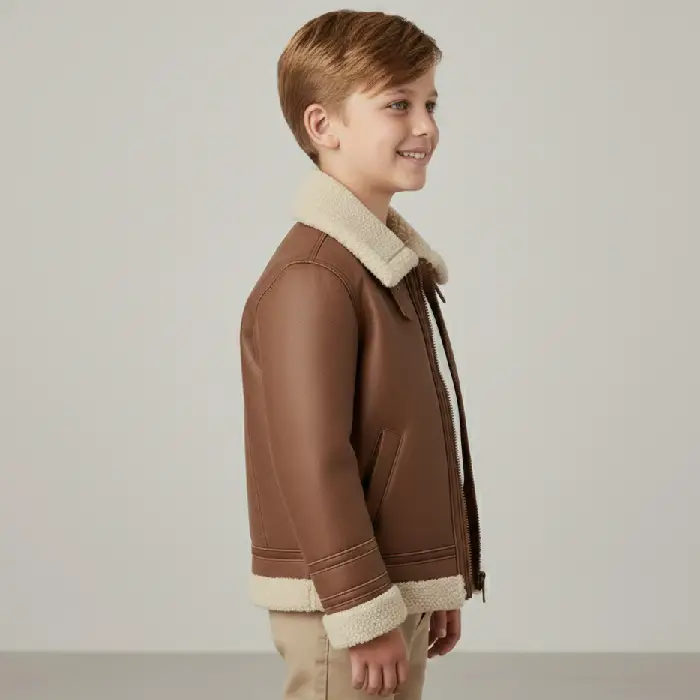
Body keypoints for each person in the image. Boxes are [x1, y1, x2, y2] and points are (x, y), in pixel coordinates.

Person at [239, 9, 485, 699]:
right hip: (342, 607)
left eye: (431, 102)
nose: (426, 125)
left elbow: (396, 438)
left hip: (381, 592)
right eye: (398, 104)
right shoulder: (315, 277)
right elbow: (313, 459)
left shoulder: (378, 266)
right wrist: (362, 609)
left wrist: (429, 577)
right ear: (324, 126)